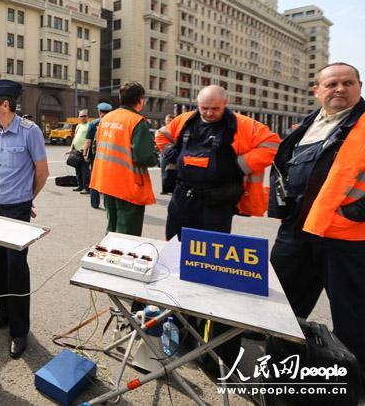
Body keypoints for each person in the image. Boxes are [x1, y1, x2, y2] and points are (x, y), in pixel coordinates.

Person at [269, 62, 365, 374]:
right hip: (297, 231)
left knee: (352, 316)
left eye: (348, 83)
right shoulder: (307, 125)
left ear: (359, 87)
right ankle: (280, 368)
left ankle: (352, 381)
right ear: (317, 91)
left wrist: (354, 212)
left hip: (346, 237)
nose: (340, 89)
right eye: (332, 84)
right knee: (280, 307)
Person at [156, 86, 279, 241]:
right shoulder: (185, 121)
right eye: (204, 108)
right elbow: (161, 135)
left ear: (225, 103)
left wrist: (241, 164)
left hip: (218, 201)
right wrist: (169, 151)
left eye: (215, 108)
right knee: (175, 243)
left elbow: (272, 144)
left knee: (212, 250)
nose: (209, 113)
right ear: (197, 104)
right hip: (182, 197)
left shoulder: (242, 125)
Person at [0, 79, 49, 359]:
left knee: (16, 268)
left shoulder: (29, 131)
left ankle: (19, 331)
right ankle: (4, 314)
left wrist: (27, 199)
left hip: (16, 209)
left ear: (5, 105)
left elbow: (42, 172)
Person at [89, 82, 158, 236]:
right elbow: (145, 157)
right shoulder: (137, 121)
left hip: (106, 182)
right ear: (141, 100)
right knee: (127, 234)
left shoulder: (106, 119)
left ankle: (108, 259)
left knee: (111, 228)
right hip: (127, 185)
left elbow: (95, 148)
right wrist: (156, 154)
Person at [83, 102, 113, 207]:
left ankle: (95, 203)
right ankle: (107, 204)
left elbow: (88, 141)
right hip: (110, 156)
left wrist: (85, 153)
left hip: (95, 156)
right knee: (107, 179)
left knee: (95, 178)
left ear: (99, 112)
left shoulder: (93, 123)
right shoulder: (114, 124)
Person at [69, 110, 90, 193]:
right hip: (76, 151)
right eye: (81, 116)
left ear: (87, 116)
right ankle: (80, 185)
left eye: (85, 116)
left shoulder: (89, 125)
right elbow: (74, 137)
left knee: (85, 170)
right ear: (79, 117)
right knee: (77, 169)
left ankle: (86, 187)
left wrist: (85, 149)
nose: (83, 117)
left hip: (84, 151)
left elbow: (90, 139)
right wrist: (71, 148)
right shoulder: (78, 126)